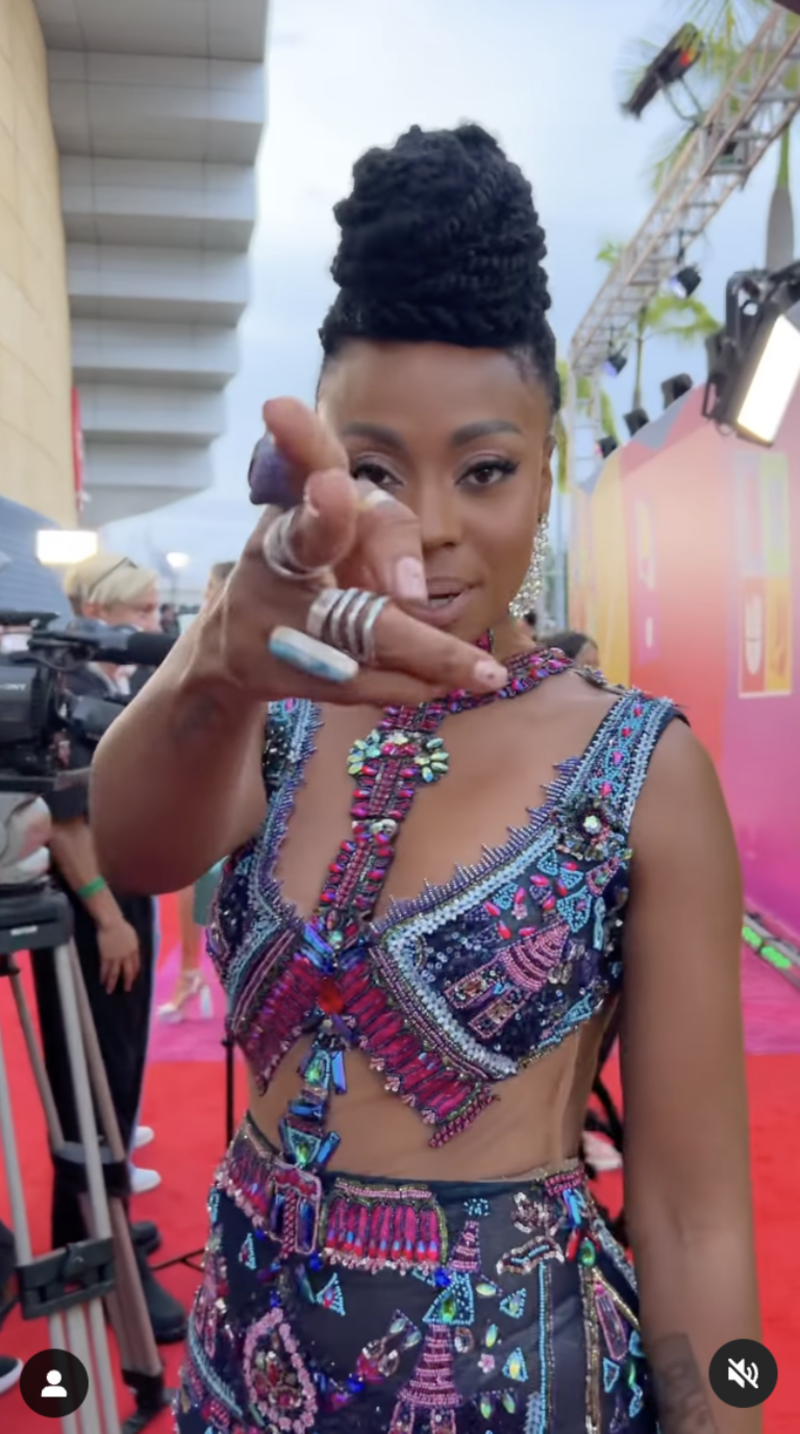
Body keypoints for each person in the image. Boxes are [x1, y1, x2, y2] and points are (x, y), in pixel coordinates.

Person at [91, 124, 759, 1433]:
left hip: (516, 1394)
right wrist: (217, 662)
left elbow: (694, 1214)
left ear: (548, 471)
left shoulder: (642, 769)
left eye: (486, 468)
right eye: (377, 468)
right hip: (237, 1373)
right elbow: (134, 848)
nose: (434, 527)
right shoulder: (268, 704)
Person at [32, 552, 186, 1343]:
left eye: (155, 610)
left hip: (117, 902)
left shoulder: (106, 688)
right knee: (92, 1081)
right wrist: (107, 915)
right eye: (139, 612)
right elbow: (62, 821)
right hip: (92, 914)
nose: (153, 626)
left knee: (117, 1075)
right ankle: (99, 1240)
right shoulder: (65, 691)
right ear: (95, 611)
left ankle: (95, 1223)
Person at [158, 563, 235, 1021]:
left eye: (214, 589)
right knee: (193, 875)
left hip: (240, 778)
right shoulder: (193, 645)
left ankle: (209, 976)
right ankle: (191, 973)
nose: (209, 599)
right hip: (199, 776)